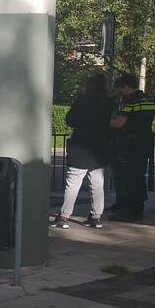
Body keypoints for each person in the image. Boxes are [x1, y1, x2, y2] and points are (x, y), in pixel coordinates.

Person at [50, 74, 112, 229]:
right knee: (97, 184)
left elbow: (70, 120)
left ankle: (64, 216)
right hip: (99, 149)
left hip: (80, 146)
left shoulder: (82, 101)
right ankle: (96, 217)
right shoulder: (107, 103)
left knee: (73, 183)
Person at [108, 73, 155, 222]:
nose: (119, 92)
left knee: (128, 178)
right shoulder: (149, 100)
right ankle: (137, 209)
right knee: (138, 177)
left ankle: (128, 212)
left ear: (127, 86)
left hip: (129, 145)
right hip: (144, 144)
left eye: (120, 89)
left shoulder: (130, 103)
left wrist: (107, 120)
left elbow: (118, 123)